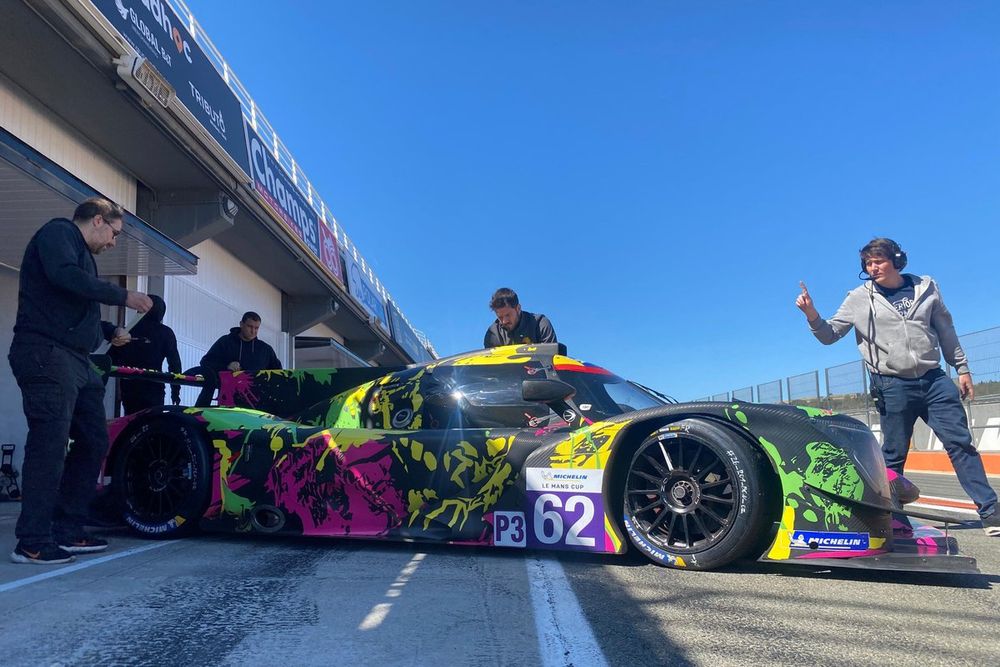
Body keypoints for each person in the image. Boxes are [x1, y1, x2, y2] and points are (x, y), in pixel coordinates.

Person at [795, 237, 999, 536]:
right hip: (891, 385)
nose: (872, 267)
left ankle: (991, 512)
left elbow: (946, 331)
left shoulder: (926, 288)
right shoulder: (858, 298)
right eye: (867, 263)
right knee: (892, 455)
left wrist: (962, 369)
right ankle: (895, 520)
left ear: (897, 260)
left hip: (935, 381)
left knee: (961, 445)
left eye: (878, 261)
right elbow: (829, 335)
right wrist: (811, 314)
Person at [8, 197, 153, 564]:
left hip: (77, 359)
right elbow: (63, 276)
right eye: (115, 234)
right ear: (99, 220)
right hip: (45, 353)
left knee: (92, 439)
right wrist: (123, 295)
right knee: (50, 443)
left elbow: (73, 303)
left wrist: (109, 329)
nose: (113, 243)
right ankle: (32, 541)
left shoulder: (82, 260)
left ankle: (68, 528)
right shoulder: (59, 233)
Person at [108, 295, 182, 414]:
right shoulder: (165, 333)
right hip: (154, 384)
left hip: (129, 385)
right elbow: (174, 363)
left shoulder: (128, 330)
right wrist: (175, 391)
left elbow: (111, 358)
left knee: (130, 422)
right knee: (153, 423)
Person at [194, 311, 282, 406]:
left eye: (256, 328)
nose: (253, 331)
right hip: (229, 403)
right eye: (250, 326)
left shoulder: (265, 350)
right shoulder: (225, 342)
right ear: (241, 324)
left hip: (258, 405)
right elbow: (206, 362)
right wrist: (226, 366)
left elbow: (278, 374)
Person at [483, 288, 557, 348]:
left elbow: (551, 359)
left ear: (518, 308)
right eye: (500, 317)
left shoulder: (540, 324)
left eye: (508, 315)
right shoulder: (493, 333)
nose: (504, 321)